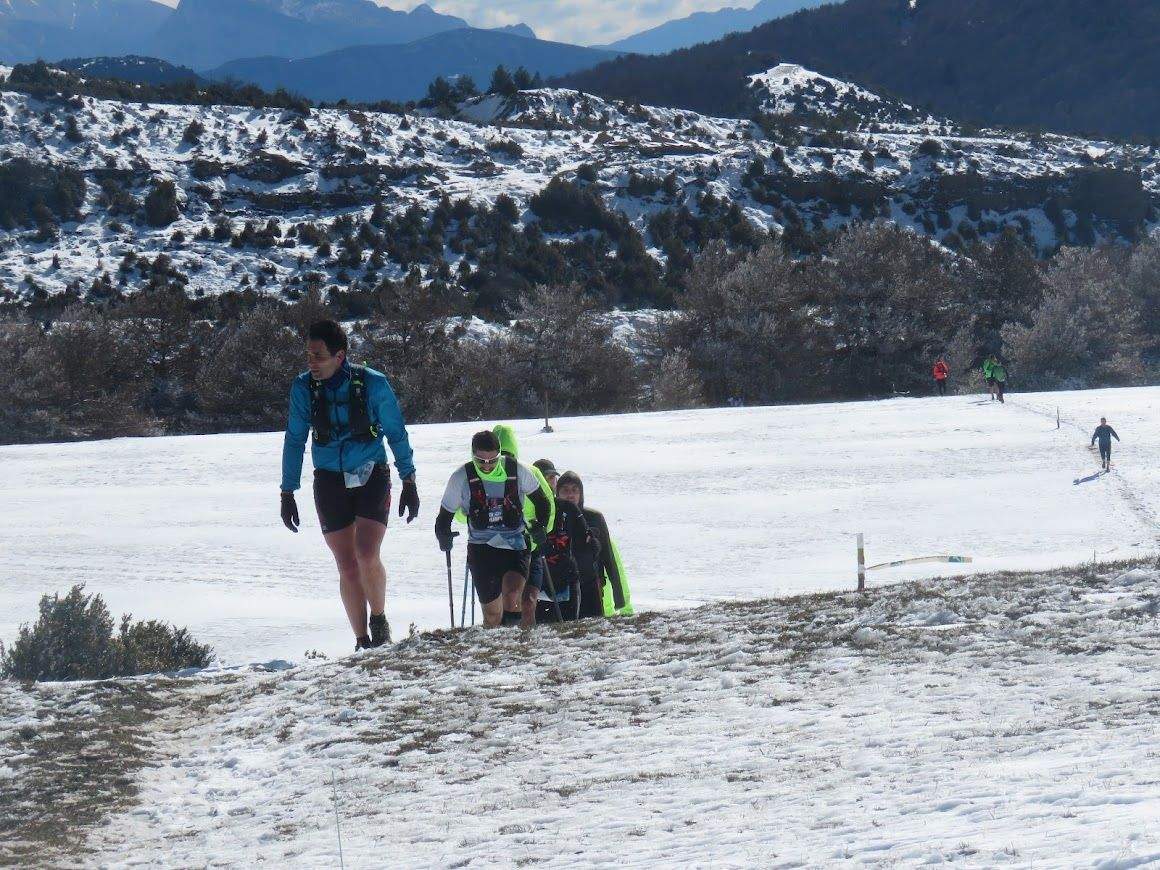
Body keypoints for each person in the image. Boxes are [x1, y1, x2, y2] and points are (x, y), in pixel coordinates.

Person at [280, 320, 419, 651]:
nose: (311, 363)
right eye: (308, 356)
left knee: (366, 553)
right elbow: (295, 438)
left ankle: (379, 620)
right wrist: (288, 491)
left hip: (371, 473)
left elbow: (396, 432)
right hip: (329, 479)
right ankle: (361, 639)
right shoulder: (303, 389)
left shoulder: (373, 384)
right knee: (346, 564)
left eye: (318, 356)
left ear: (339, 356)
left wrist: (408, 478)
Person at [435, 430, 551, 629]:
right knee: (492, 613)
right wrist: (443, 535)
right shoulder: (461, 478)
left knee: (513, 596)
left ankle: (515, 644)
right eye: (481, 461)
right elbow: (444, 516)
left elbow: (543, 503)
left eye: (493, 460)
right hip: (481, 548)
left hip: (515, 544)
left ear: (499, 454)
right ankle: (493, 647)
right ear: (473, 455)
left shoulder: (518, 471)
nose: (487, 466)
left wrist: (541, 527)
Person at [556, 470, 633, 618]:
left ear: (581, 494)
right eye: (565, 490)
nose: (570, 495)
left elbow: (608, 557)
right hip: (562, 585)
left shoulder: (595, 518)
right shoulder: (553, 518)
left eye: (574, 490)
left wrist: (619, 597)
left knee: (593, 628)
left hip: (591, 584)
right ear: (558, 493)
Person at [531, 459, 593, 623]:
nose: (549, 482)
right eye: (545, 478)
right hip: (537, 581)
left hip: (567, 579)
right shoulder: (527, 508)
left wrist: (591, 540)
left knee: (569, 632)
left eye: (552, 478)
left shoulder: (568, 507)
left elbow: (587, 543)